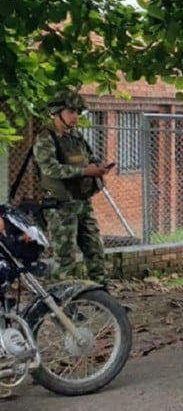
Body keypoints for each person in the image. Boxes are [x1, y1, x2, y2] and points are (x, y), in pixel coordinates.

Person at [33, 88, 112, 282]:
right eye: (71, 111)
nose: (75, 116)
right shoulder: (46, 137)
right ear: (57, 112)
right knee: (65, 257)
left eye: (78, 112)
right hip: (61, 206)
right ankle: (57, 295)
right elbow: (50, 169)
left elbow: (90, 156)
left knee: (95, 249)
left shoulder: (76, 136)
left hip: (82, 202)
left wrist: (98, 166)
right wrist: (84, 171)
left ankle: (100, 293)